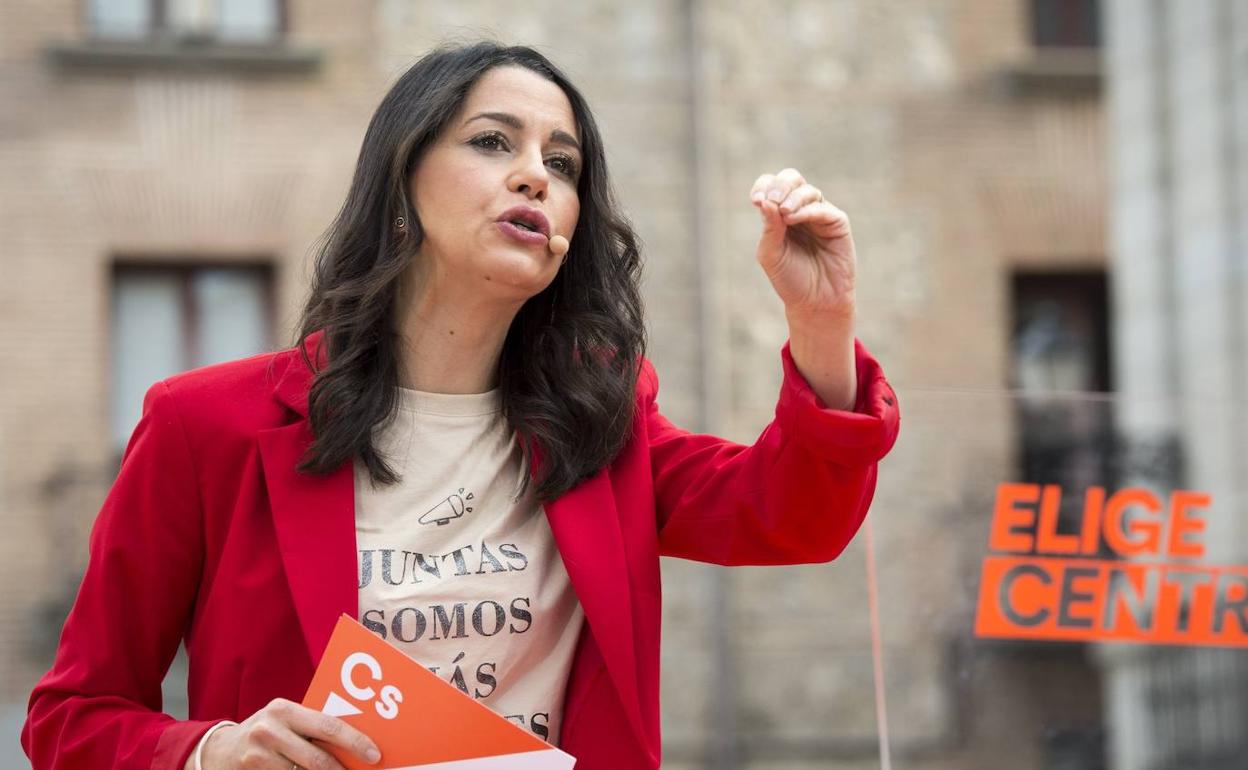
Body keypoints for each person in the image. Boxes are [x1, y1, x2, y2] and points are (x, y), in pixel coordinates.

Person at [22, 41, 899, 770]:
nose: (535, 177)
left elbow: (793, 518)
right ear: (404, 176)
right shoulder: (203, 425)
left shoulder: (604, 417)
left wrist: (821, 322)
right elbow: (71, 718)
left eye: (563, 164)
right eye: (492, 143)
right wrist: (208, 752)